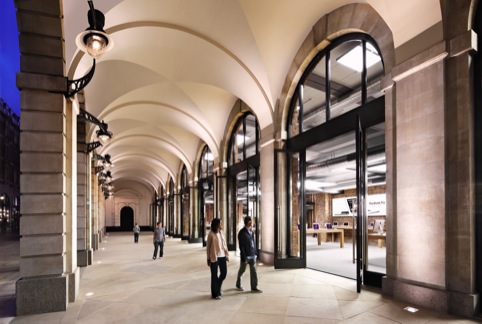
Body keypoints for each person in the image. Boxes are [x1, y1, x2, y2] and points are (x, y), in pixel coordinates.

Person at [236, 216, 262, 293]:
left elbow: (253, 243)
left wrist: (255, 252)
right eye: (251, 222)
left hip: (252, 255)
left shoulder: (252, 232)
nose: (252, 223)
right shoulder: (242, 233)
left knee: (254, 272)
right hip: (246, 256)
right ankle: (238, 284)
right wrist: (244, 257)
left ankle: (254, 287)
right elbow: (241, 246)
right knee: (242, 270)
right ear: (247, 223)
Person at [206, 218, 229, 300]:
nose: (221, 225)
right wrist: (208, 258)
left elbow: (224, 244)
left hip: (222, 256)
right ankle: (215, 293)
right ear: (216, 224)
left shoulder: (221, 233)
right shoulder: (211, 234)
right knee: (214, 276)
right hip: (214, 257)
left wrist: (226, 254)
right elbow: (208, 247)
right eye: (220, 223)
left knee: (224, 273)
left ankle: (217, 288)